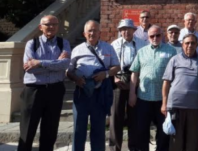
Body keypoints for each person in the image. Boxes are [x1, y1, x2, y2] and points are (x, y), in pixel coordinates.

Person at [17, 15, 71, 151]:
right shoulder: (32, 43)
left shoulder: (63, 43)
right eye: (48, 24)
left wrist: (39, 62)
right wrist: (55, 63)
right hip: (34, 90)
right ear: (41, 27)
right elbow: (29, 69)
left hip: (55, 90)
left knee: (50, 130)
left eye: (54, 24)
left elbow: (65, 64)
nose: (51, 27)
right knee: (27, 129)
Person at [68, 20, 120, 151]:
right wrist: (76, 79)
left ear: (100, 33)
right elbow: (68, 71)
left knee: (98, 129)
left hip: (100, 94)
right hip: (82, 94)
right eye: (89, 31)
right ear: (84, 33)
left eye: (95, 30)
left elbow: (117, 67)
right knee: (79, 129)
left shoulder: (108, 48)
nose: (92, 33)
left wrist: (106, 74)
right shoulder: (77, 50)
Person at [129, 25, 177, 151]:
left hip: (163, 99)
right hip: (143, 97)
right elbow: (134, 73)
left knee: (163, 131)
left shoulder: (171, 51)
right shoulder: (142, 51)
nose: (155, 38)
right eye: (152, 36)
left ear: (162, 35)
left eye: (158, 35)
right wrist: (132, 93)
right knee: (142, 129)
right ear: (148, 37)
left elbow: (176, 73)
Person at [162, 33, 198, 151]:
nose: (190, 45)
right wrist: (164, 104)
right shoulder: (174, 60)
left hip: (195, 106)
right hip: (176, 105)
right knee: (176, 139)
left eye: (192, 43)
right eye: (187, 43)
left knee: (193, 140)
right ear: (182, 44)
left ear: (197, 45)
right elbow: (166, 83)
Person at [110, 19, 147, 151]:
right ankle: (115, 147)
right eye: (123, 29)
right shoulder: (114, 44)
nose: (126, 31)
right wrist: (114, 76)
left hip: (136, 82)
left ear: (134, 30)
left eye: (128, 29)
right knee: (116, 117)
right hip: (119, 82)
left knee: (135, 118)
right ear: (120, 31)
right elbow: (110, 63)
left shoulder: (142, 44)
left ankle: (134, 147)